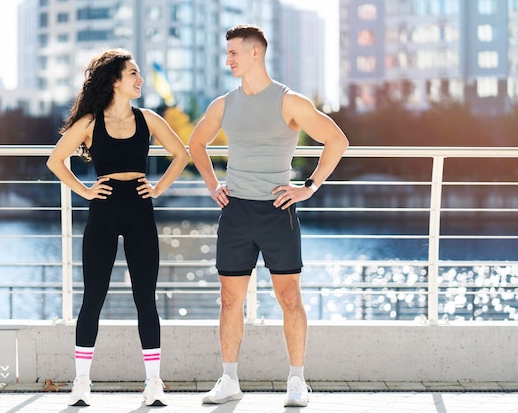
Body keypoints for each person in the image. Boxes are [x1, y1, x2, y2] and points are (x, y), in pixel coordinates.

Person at [188, 24, 349, 407]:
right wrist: (213, 184)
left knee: (289, 297)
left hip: (279, 211)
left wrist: (308, 186)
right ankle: (228, 379)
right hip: (236, 211)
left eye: (233, 53)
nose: (228, 60)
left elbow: (337, 140)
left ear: (255, 53)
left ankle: (296, 381)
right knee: (230, 300)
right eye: (227, 54)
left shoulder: (289, 101)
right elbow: (196, 143)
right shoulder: (224, 104)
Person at [47, 49, 190, 407]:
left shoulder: (148, 118)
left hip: (140, 210)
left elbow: (182, 154)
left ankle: (154, 383)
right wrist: (85, 191)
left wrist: (158, 188)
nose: (140, 80)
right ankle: (81, 383)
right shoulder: (90, 122)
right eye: (133, 74)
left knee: (146, 298)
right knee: (93, 297)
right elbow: (55, 160)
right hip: (104, 211)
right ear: (115, 81)